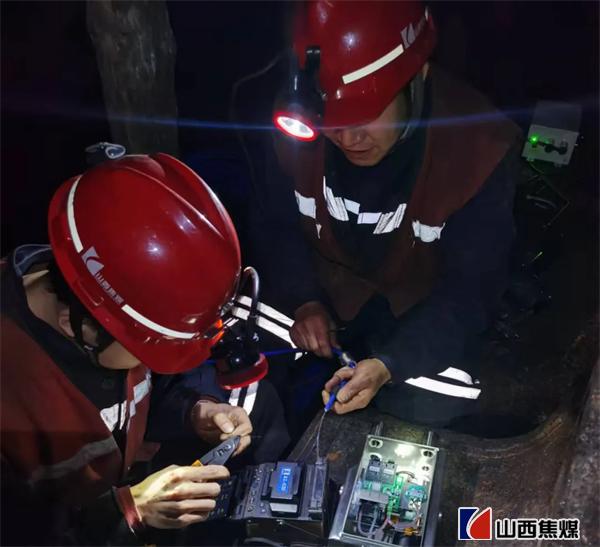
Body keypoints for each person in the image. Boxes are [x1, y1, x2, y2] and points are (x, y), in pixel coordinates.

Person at [243, 0, 522, 428]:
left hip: (417, 307)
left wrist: (391, 363)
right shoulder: (295, 124)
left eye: (366, 114)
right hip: (324, 291)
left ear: (418, 76)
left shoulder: (479, 148)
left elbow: (472, 289)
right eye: (331, 119)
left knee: (445, 394)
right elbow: (274, 224)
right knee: (242, 345)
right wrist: (303, 299)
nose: (347, 138)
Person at [0, 153, 274, 545]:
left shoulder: (117, 307)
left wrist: (196, 411)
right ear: (77, 325)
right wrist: (127, 510)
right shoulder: (12, 387)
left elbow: (140, 394)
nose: (151, 361)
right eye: (151, 349)